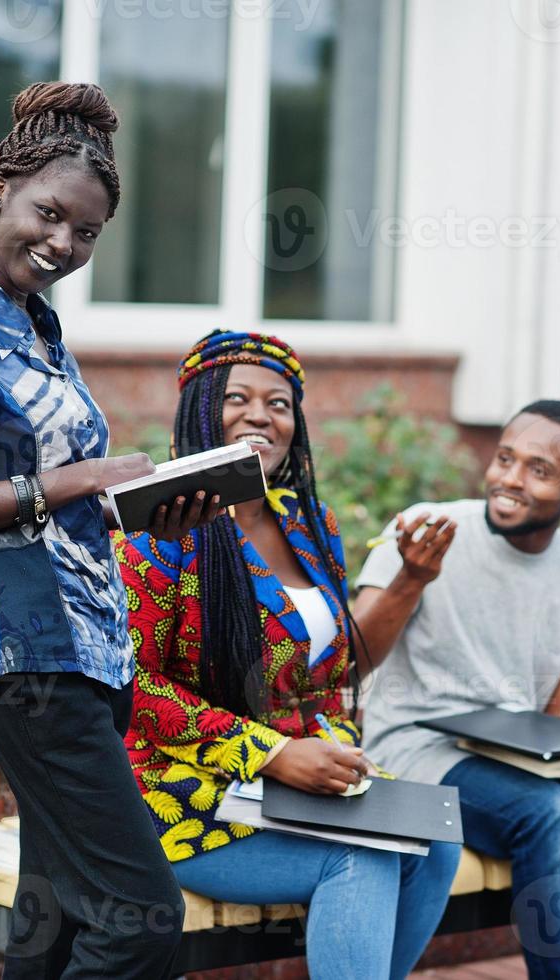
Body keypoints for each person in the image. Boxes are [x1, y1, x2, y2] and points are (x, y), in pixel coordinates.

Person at [0, 82, 215, 979]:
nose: (63, 244)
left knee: (57, 915)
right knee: (142, 917)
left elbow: (50, 497)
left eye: (87, 232)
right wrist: (72, 480)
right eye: (50, 214)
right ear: (1, 189)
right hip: (25, 651)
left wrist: (134, 503)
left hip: (88, 643)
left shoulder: (33, 322)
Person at [114, 330, 461, 980]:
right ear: (199, 412)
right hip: (178, 793)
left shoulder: (312, 525)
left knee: (433, 846)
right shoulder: (160, 531)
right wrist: (270, 753)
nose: (260, 415)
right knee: (361, 858)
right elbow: (129, 687)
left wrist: (328, 747)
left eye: (279, 403)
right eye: (237, 398)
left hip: (289, 781)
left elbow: (326, 675)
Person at [354, 400, 560, 980]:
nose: (510, 480)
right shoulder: (430, 526)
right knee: (550, 815)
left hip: (519, 752)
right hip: (418, 750)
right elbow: (351, 660)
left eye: (538, 470)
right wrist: (411, 577)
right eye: (504, 459)